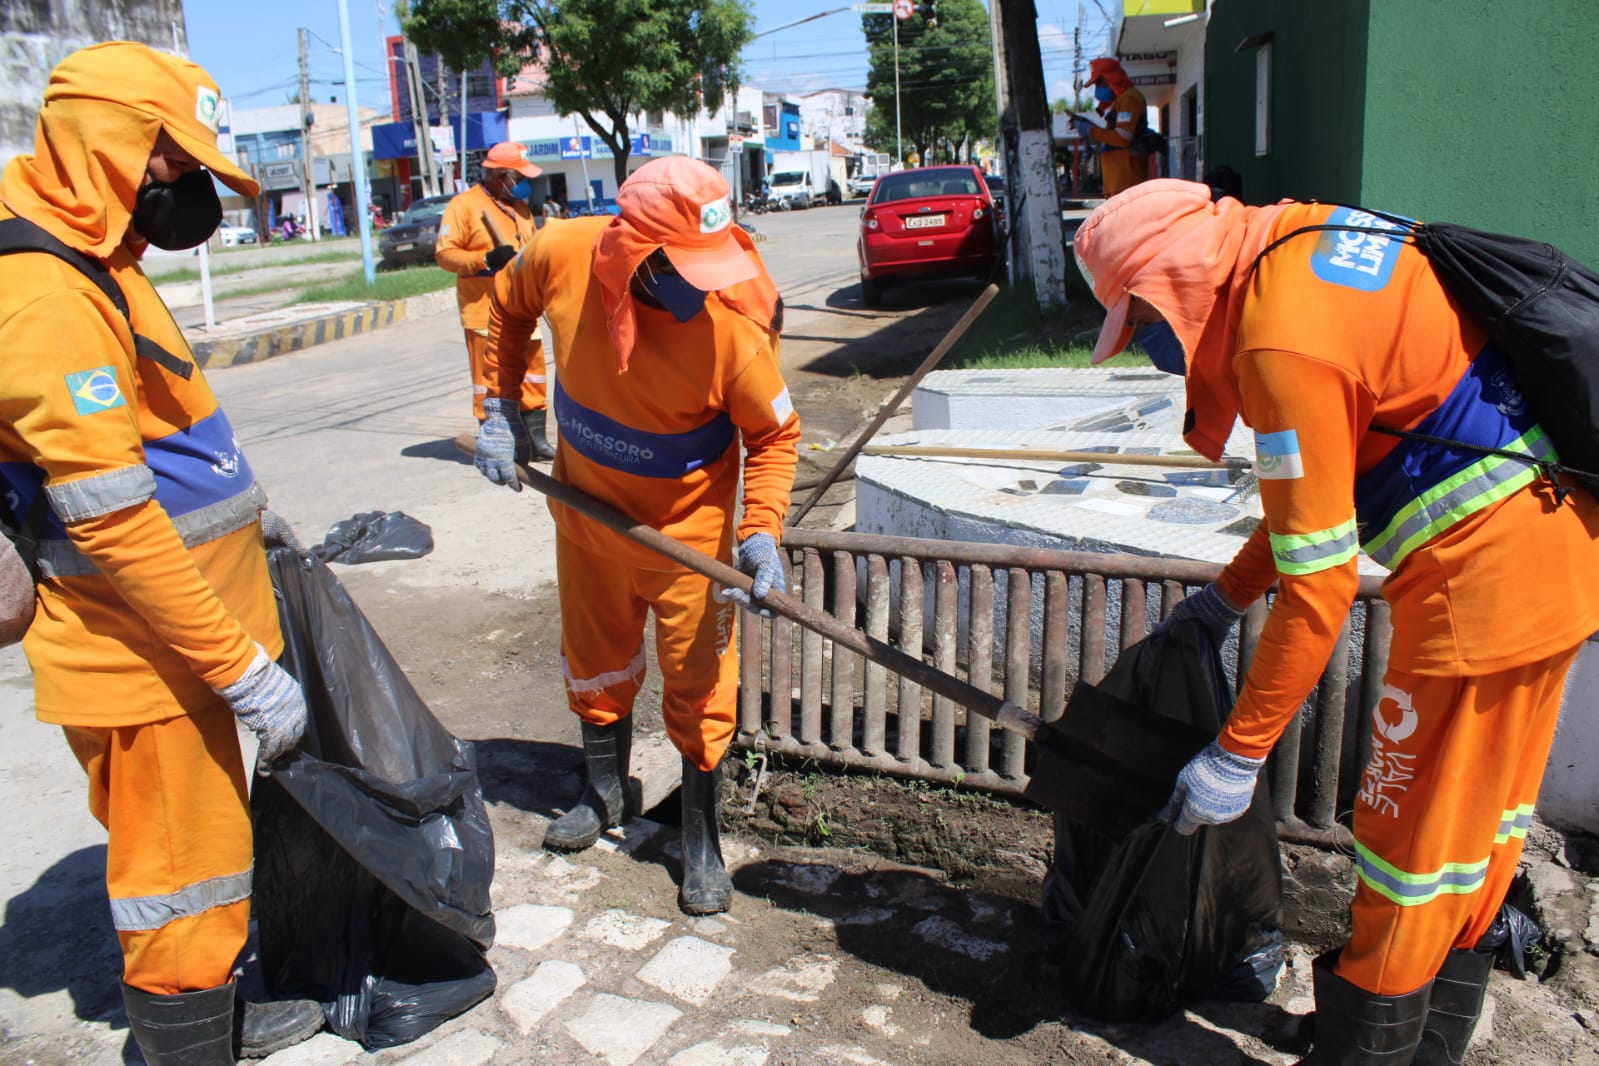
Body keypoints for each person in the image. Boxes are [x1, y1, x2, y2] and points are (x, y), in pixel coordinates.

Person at [1072, 178, 1599, 1064]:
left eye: (1141, 326)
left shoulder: (1281, 346)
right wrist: (1226, 597)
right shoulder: (1304, 242)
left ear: (1171, 285)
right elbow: (1313, 503)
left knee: (1405, 852)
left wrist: (1235, 756)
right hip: (1555, 556)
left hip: (1478, 596)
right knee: (1477, 839)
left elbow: (1319, 588)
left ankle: (1363, 1052)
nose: (1150, 352)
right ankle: (1422, 1046)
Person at [0, 42, 324, 1063]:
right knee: (182, 875)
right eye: (172, 162)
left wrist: (251, 512)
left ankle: (212, 1016)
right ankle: (185, 1042)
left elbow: (172, 426)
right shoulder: (47, 294)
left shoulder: (100, 253)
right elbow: (113, 520)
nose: (184, 188)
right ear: (110, 143)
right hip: (143, 659)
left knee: (207, 851)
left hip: (183, 643)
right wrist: (240, 672)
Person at [473, 156, 799, 915]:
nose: (702, 282)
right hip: (586, 519)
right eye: (684, 267)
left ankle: (699, 835)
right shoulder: (561, 254)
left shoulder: (732, 329)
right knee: (595, 663)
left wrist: (760, 532)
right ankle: (603, 791)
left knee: (697, 683)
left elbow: (776, 437)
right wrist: (500, 409)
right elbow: (505, 305)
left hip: (687, 542)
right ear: (633, 252)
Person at [434, 141, 554, 459]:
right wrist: (485, 260)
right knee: (494, 378)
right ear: (501, 175)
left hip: (524, 306)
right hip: (484, 311)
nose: (524, 183)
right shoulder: (464, 206)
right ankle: (500, 440)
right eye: (519, 176)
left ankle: (535, 439)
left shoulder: (520, 208)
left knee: (533, 372)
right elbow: (445, 254)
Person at [1075, 57, 1150, 198]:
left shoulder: (1129, 99)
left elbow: (1123, 138)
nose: (1097, 88)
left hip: (1126, 182)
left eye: (1099, 82)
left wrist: (1090, 130)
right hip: (1120, 181)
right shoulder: (1120, 100)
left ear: (1111, 78)